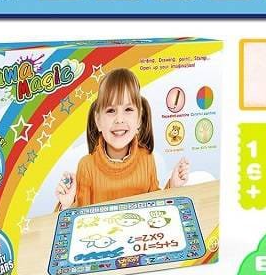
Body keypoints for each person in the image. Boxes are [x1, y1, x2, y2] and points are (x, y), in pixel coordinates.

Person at [55, 69, 188, 209]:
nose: (119, 119)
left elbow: (156, 205)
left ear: (139, 118)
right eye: (111, 110)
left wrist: (172, 185)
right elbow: (80, 215)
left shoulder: (147, 158)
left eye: (128, 109)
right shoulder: (86, 166)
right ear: (98, 120)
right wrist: (67, 205)